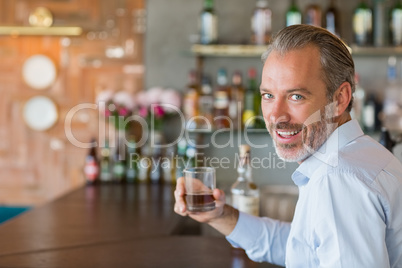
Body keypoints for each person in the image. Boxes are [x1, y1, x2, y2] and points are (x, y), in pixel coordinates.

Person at [174, 24, 402, 267]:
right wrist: (221, 216)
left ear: (340, 99)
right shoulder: (357, 155)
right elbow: (304, 249)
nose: (275, 115)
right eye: (268, 95)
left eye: (296, 96)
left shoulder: (338, 178)